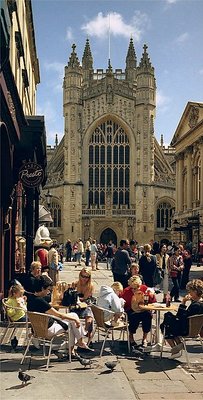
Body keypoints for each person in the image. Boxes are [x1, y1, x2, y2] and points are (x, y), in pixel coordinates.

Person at [27, 275, 91, 356]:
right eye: (47, 290)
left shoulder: (31, 299)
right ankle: (75, 347)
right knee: (72, 324)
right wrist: (76, 320)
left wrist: (73, 318)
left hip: (38, 329)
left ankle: (79, 342)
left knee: (73, 315)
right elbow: (59, 315)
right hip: (48, 330)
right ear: (43, 288)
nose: (48, 292)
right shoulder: (41, 302)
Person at [160, 279, 203, 359]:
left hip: (185, 329)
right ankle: (178, 345)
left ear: (195, 291)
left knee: (166, 323)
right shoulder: (200, 303)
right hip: (195, 329)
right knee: (168, 318)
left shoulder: (196, 305)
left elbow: (180, 317)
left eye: (190, 291)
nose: (189, 293)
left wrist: (183, 302)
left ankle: (175, 348)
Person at [121, 276, 156, 347]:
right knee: (134, 316)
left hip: (143, 309)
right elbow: (122, 304)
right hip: (130, 310)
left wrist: (151, 296)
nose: (135, 289)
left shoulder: (144, 288)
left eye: (137, 287)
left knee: (148, 315)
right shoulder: (126, 291)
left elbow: (153, 301)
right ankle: (131, 336)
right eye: (133, 288)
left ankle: (144, 338)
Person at [74, 268, 94, 345]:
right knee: (72, 316)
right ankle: (78, 335)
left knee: (89, 317)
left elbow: (85, 299)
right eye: (83, 276)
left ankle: (88, 335)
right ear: (80, 275)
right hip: (76, 304)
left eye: (87, 277)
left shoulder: (90, 285)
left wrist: (77, 296)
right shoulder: (76, 283)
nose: (85, 279)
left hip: (86, 304)